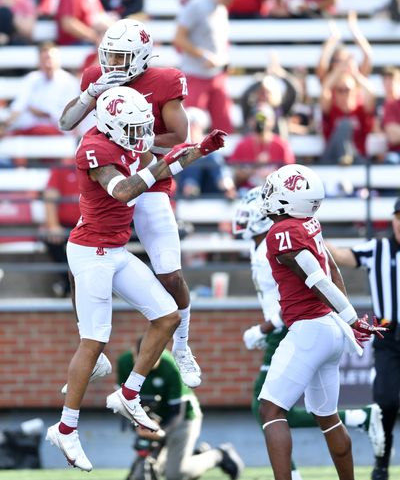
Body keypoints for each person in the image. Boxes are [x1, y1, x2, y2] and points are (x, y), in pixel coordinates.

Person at [45, 86, 227, 472]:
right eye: (134, 129)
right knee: (94, 342)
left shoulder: (125, 136)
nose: (141, 135)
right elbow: (125, 190)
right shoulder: (94, 149)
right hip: (91, 252)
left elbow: (165, 162)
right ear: (110, 125)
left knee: (167, 315)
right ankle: (66, 427)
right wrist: (163, 164)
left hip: (114, 249)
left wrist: (200, 151)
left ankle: (129, 394)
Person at [58, 18, 202, 389]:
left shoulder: (164, 80)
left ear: (140, 58)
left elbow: (178, 140)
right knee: (82, 255)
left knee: (169, 271)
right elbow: (66, 122)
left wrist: (135, 146)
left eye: (122, 58)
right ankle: (87, 343)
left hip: (149, 180)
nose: (113, 65)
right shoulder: (98, 75)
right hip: (110, 178)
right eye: (110, 56)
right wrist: (92, 93)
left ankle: (183, 346)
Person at [232, 187, 386, 480]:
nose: (269, 196)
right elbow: (333, 273)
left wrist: (352, 318)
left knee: (270, 411)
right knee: (327, 418)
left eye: (274, 191)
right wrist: (345, 316)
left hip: (309, 328)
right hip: (328, 327)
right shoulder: (307, 224)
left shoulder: (281, 232)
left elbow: (317, 279)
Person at [327, 198, 400, 480]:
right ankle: (382, 461)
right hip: (388, 333)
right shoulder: (378, 248)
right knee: (386, 400)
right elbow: (344, 257)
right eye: (397, 216)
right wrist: (313, 235)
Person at [118, 341, 244, 480]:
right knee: (145, 472)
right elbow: (123, 401)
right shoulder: (124, 363)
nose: (147, 362)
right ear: (134, 354)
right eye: (142, 357)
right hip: (151, 418)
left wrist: (161, 432)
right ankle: (193, 455)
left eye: (152, 357)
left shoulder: (172, 367)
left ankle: (219, 455)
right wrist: (136, 425)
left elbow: (178, 412)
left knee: (175, 474)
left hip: (182, 419)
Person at [173, 0, 234, 134]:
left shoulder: (221, 9)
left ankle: (222, 155)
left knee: (224, 125)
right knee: (193, 125)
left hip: (217, 76)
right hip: (195, 75)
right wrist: (204, 55)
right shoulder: (195, 6)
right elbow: (178, 38)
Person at [1, 42, 79, 138]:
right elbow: (18, 107)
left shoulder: (69, 82)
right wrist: (5, 125)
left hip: (57, 131)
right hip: (29, 129)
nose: (47, 63)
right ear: (39, 61)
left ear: (58, 59)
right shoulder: (31, 79)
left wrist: (44, 113)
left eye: (50, 59)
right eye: (43, 59)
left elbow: (70, 115)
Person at [227, 105, 295, 194]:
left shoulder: (281, 145)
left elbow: (290, 174)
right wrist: (253, 171)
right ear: (250, 121)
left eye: (264, 118)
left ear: (273, 121)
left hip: (276, 191)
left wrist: (272, 174)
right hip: (249, 192)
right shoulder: (242, 144)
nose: (260, 122)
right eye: (257, 118)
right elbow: (235, 175)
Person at [320, 62, 375, 165]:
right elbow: (324, 90)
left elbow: (371, 93)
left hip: (357, 159)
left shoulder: (361, 109)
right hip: (332, 159)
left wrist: (355, 74)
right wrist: (337, 71)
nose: (344, 94)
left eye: (347, 90)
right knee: (345, 124)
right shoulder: (332, 109)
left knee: (346, 124)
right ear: (334, 92)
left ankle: (346, 158)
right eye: (340, 90)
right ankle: (344, 157)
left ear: (355, 91)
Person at [177, 107, 236, 199]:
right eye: (189, 125)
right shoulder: (178, 147)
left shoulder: (211, 151)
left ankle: (226, 186)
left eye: (195, 125)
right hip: (185, 185)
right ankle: (190, 188)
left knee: (213, 157)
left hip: (212, 186)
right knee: (194, 158)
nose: (192, 129)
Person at [41, 159, 80, 297]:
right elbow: (50, 196)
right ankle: (74, 283)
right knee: (50, 237)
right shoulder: (63, 168)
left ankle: (71, 286)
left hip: (91, 225)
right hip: (67, 225)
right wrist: (53, 225)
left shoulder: (102, 168)